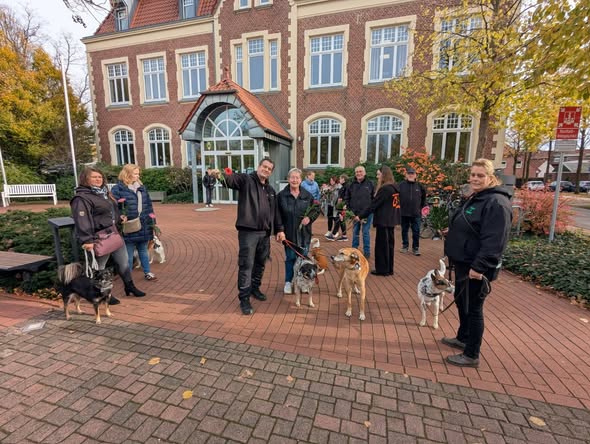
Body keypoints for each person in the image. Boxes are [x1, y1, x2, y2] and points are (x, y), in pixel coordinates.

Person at [442, 158, 512, 368]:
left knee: (474, 309)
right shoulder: (476, 197)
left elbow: (495, 241)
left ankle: (471, 354)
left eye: (480, 175)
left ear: (491, 177)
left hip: (476, 268)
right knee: (461, 302)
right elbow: (472, 224)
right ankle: (463, 337)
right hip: (463, 262)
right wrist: (453, 231)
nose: (475, 178)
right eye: (473, 174)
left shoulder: (496, 203)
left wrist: (479, 267)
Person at [215, 158, 282, 315]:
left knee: (260, 263)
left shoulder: (271, 190)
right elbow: (231, 180)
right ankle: (244, 298)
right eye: (264, 166)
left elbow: (275, 213)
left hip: (265, 234)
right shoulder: (246, 180)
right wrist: (220, 175)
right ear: (259, 167)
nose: (266, 170)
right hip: (248, 233)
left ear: (271, 172)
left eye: (269, 168)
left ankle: (254, 288)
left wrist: (279, 229)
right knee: (246, 265)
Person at [70, 167, 146, 303]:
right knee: (99, 267)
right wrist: (87, 240)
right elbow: (82, 220)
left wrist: (119, 217)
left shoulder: (104, 193)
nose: (98, 179)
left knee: (123, 262)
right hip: (98, 237)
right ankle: (103, 294)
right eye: (94, 177)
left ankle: (130, 287)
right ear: (85, 179)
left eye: (100, 177)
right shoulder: (81, 198)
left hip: (113, 234)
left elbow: (111, 210)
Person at [111, 164, 158, 281]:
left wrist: (153, 223)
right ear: (127, 174)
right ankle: (128, 278)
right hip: (129, 225)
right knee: (128, 253)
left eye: (138, 174)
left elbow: (149, 206)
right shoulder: (118, 189)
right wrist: (120, 216)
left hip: (144, 224)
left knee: (143, 250)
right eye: (135, 173)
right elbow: (113, 207)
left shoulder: (141, 187)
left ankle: (147, 272)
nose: (138, 176)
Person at [276, 168, 320, 294]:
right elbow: (277, 215)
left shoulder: (307, 195)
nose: (294, 180)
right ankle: (288, 282)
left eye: (297, 178)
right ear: (288, 179)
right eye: (292, 177)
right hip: (288, 234)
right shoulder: (281, 196)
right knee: (290, 258)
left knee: (303, 259)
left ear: (301, 180)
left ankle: (303, 283)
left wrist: (309, 218)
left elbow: (316, 209)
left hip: (304, 234)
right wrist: (280, 230)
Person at [356, 165, 400, 276]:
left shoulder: (385, 189)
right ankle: (389, 268)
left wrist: (360, 216)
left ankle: (382, 269)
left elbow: (374, 205)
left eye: (378, 174)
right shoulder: (394, 187)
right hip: (391, 220)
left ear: (383, 175)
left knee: (382, 246)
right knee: (389, 245)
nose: (377, 177)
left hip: (383, 220)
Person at [345, 165, 374, 258]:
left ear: (364, 173)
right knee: (355, 232)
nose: (358, 173)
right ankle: (354, 250)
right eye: (357, 172)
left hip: (367, 214)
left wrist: (365, 213)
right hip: (354, 214)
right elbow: (347, 198)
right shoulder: (351, 185)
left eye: (360, 171)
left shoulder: (370, 184)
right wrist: (350, 212)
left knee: (365, 232)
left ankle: (367, 252)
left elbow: (373, 200)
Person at [399, 167, 426, 256]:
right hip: (404, 212)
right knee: (404, 230)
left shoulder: (420, 186)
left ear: (415, 175)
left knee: (416, 231)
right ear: (406, 175)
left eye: (412, 174)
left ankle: (415, 248)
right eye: (409, 173)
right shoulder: (401, 185)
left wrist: (420, 208)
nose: (410, 175)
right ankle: (405, 246)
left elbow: (423, 198)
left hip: (416, 213)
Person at [327, 174, 349, 241]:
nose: (339, 180)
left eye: (340, 179)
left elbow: (346, 197)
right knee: (341, 220)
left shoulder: (346, 187)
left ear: (343, 179)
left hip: (342, 206)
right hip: (340, 205)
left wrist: (344, 204)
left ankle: (333, 234)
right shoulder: (343, 187)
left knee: (338, 219)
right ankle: (344, 236)